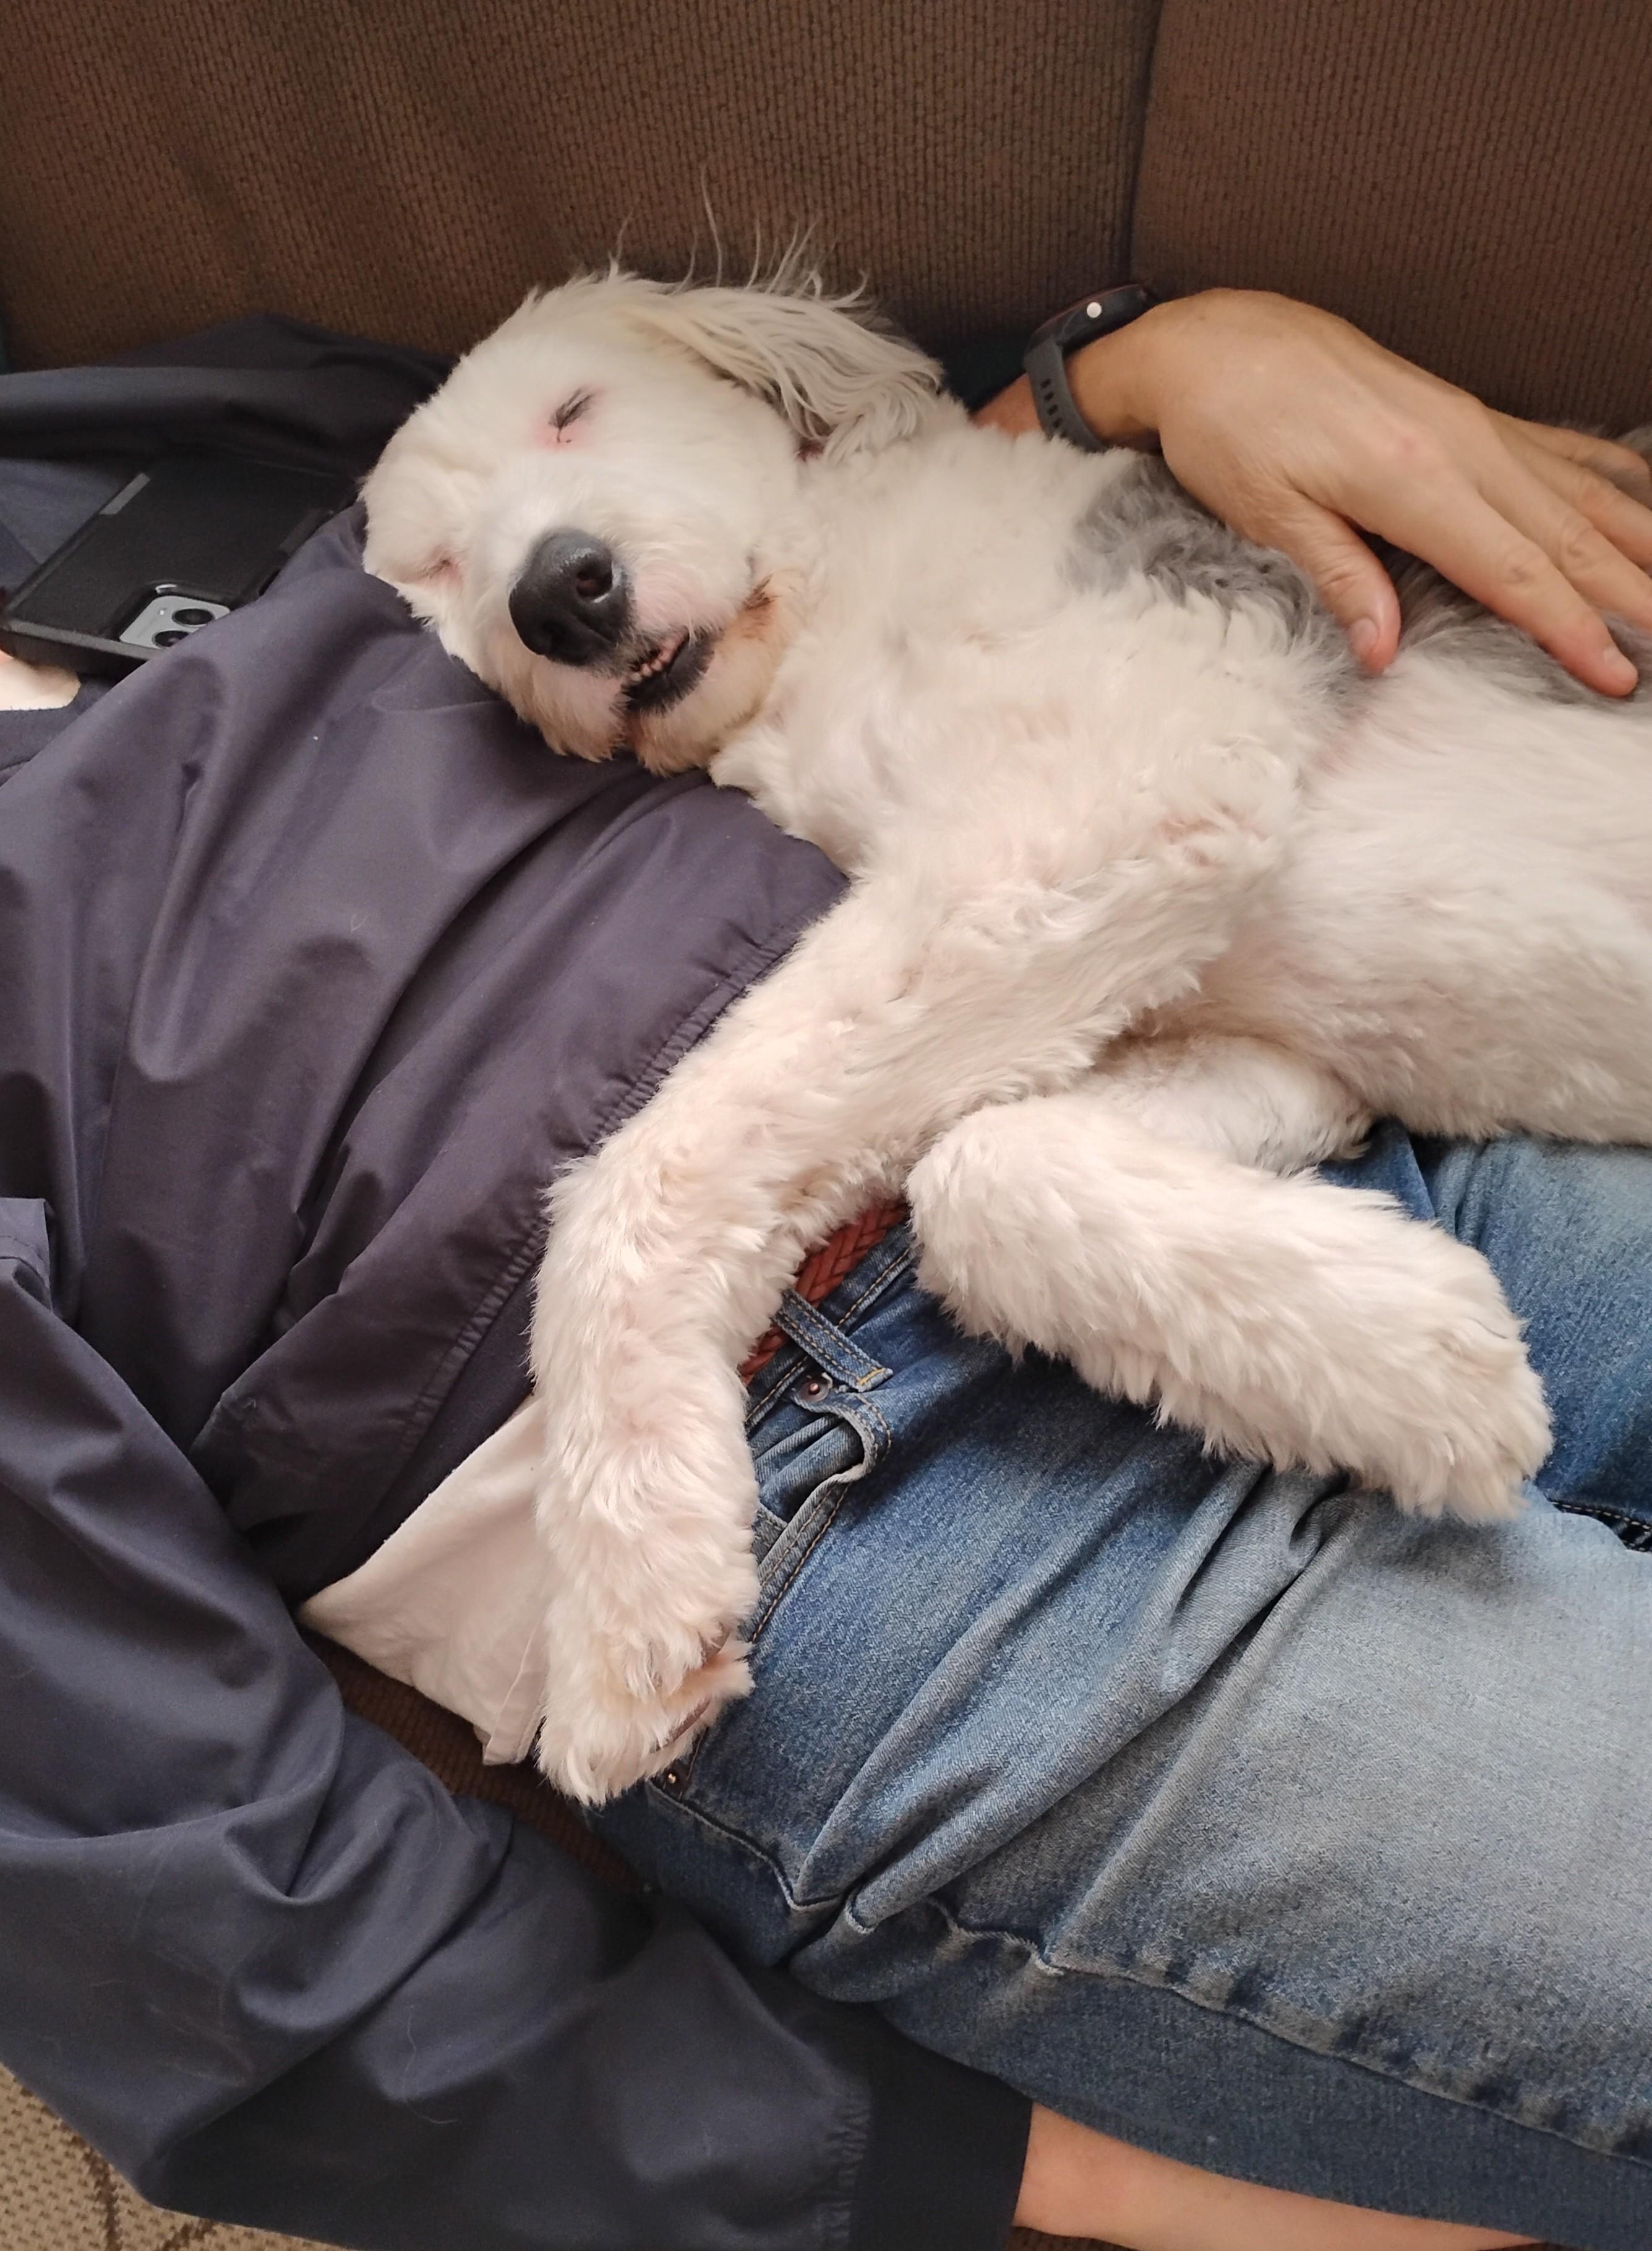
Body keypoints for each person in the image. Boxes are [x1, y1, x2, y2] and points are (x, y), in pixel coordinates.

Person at [0, 285, 1647, 2251]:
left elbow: (796, 518)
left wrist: (1138, 366)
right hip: (852, 1545)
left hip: (1228, 1090)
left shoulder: (147, 420)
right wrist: (1045, 2174)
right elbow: (203, 1898)